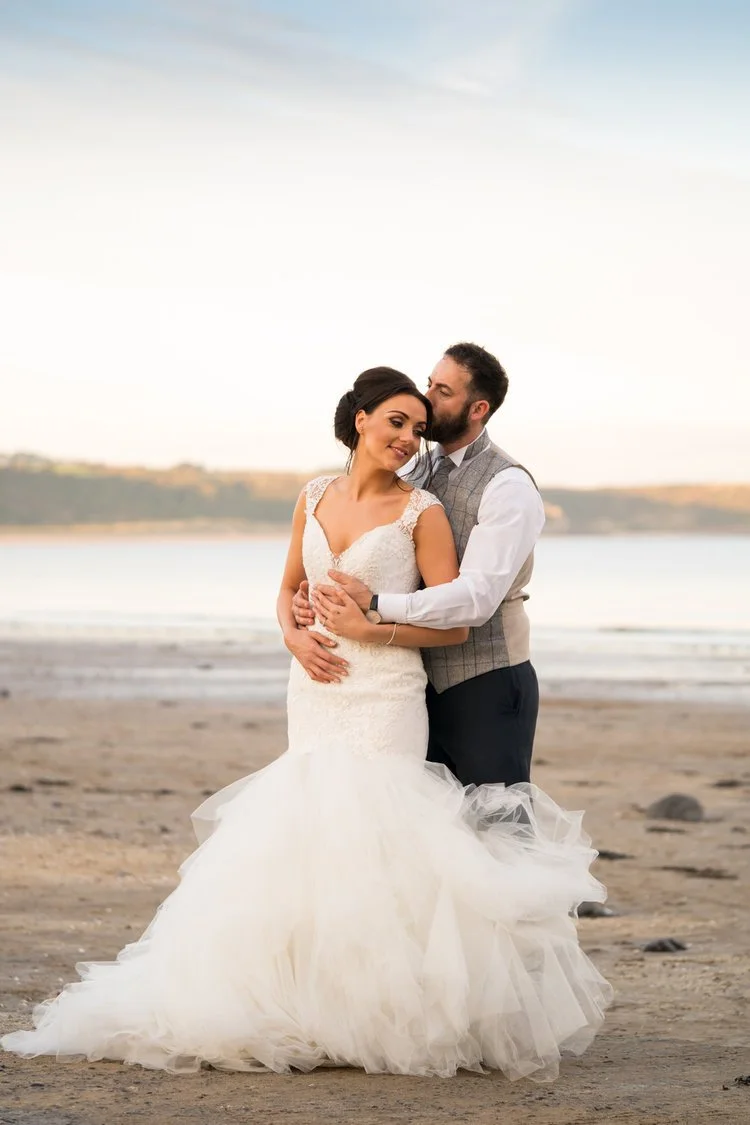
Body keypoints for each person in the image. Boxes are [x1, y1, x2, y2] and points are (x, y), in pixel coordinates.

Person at [1, 368, 611, 1080]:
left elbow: (454, 623)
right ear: (358, 419)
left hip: (384, 693)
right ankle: (301, 999)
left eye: (417, 425)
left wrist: (372, 625)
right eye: (395, 421)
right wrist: (293, 637)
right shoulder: (312, 494)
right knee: (307, 834)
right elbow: (288, 587)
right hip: (313, 690)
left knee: (380, 839)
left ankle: (381, 1006)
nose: (408, 436)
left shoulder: (425, 511)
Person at [294, 342, 544, 788]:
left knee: (498, 831)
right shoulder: (418, 468)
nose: (427, 397)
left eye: (443, 391)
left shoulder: (508, 486)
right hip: (407, 683)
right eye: (429, 383)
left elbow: (476, 601)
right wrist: (305, 600)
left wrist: (372, 606)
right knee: (429, 828)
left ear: (477, 408)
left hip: (485, 681)